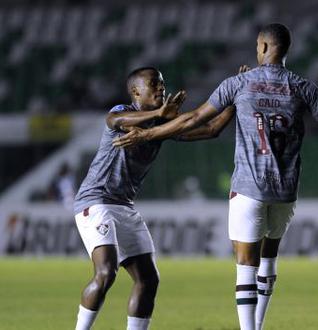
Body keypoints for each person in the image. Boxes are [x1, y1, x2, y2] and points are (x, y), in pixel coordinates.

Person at [112, 23, 318, 330]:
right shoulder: (305, 87)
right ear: (285, 50)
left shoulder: (238, 83)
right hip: (285, 191)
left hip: (249, 188)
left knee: (246, 266)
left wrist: (149, 134)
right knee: (269, 259)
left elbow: (195, 119)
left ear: (262, 47)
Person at [73, 67, 235, 330]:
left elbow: (211, 129)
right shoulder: (121, 111)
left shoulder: (160, 125)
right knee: (106, 273)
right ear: (136, 91)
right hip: (96, 201)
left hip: (124, 205)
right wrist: (160, 113)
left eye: (162, 83)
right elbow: (114, 121)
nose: (162, 88)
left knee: (148, 278)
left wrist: (233, 103)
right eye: (154, 84)